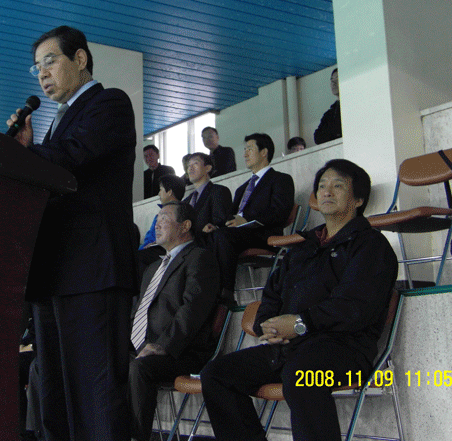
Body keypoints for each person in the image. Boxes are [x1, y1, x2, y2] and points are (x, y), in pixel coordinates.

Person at [200, 159, 398, 441]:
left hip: (344, 349)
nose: (326, 191)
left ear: (358, 200)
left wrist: (299, 323)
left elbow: (355, 308)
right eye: (322, 185)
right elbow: (272, 292)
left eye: (338, 186)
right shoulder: (304, 246)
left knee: (301, 377)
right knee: (216, 374)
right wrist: (266, 324)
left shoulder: (371, 246)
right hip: (289, 347)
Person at [5, 25, 137, 441]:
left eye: (50, 62)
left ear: (80, 59)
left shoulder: (110, 103)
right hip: (53, 274)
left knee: (95, 397)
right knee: (55, 396)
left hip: (91, 270)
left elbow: (77, 155)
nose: (42, 74)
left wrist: (28, 152)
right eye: (37, 68)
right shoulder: (53, 126)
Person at [129, 202, 220, 441]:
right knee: (102, 362)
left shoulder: (200, 258)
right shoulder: (152, 268)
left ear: (185, 226)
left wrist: (163, 345)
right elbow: (138, 311)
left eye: (164, 218)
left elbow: (193, 310)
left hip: (181, 352)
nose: (157, 225)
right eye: (157, 219)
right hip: (143, 346)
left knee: (138, 368)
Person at [209, 133, 295, 294]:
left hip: (263, 234)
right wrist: (216, 225)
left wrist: (246, 220)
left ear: (264, 152)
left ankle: (225, 293)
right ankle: (207, 293)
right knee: (207, 238)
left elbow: (280, 212)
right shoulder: (242, 188)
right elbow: (231, 216)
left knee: (222, 237)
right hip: (237, 235)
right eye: (244, 150)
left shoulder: (280, 179)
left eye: (250, 149)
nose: (245, 154)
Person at [138, 174, 186, 273]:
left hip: (162, 249)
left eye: (160, 190)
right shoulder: (159, 214)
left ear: (169, 192)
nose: (159, 194)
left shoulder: (181, 212)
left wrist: (156, 242)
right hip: (149, 248)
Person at [182, 153, 232, 240]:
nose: (190, 168)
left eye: (195, 163)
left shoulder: (219, 191)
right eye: (189, 165)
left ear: (208, 168)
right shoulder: (185, 201)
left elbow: (220, 223)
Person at [314, 68, 342, 144]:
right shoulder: (329, 114)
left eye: (337, 79)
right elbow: (318, 138)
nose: (333, 83)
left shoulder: (354, 106)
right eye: (332, 80)